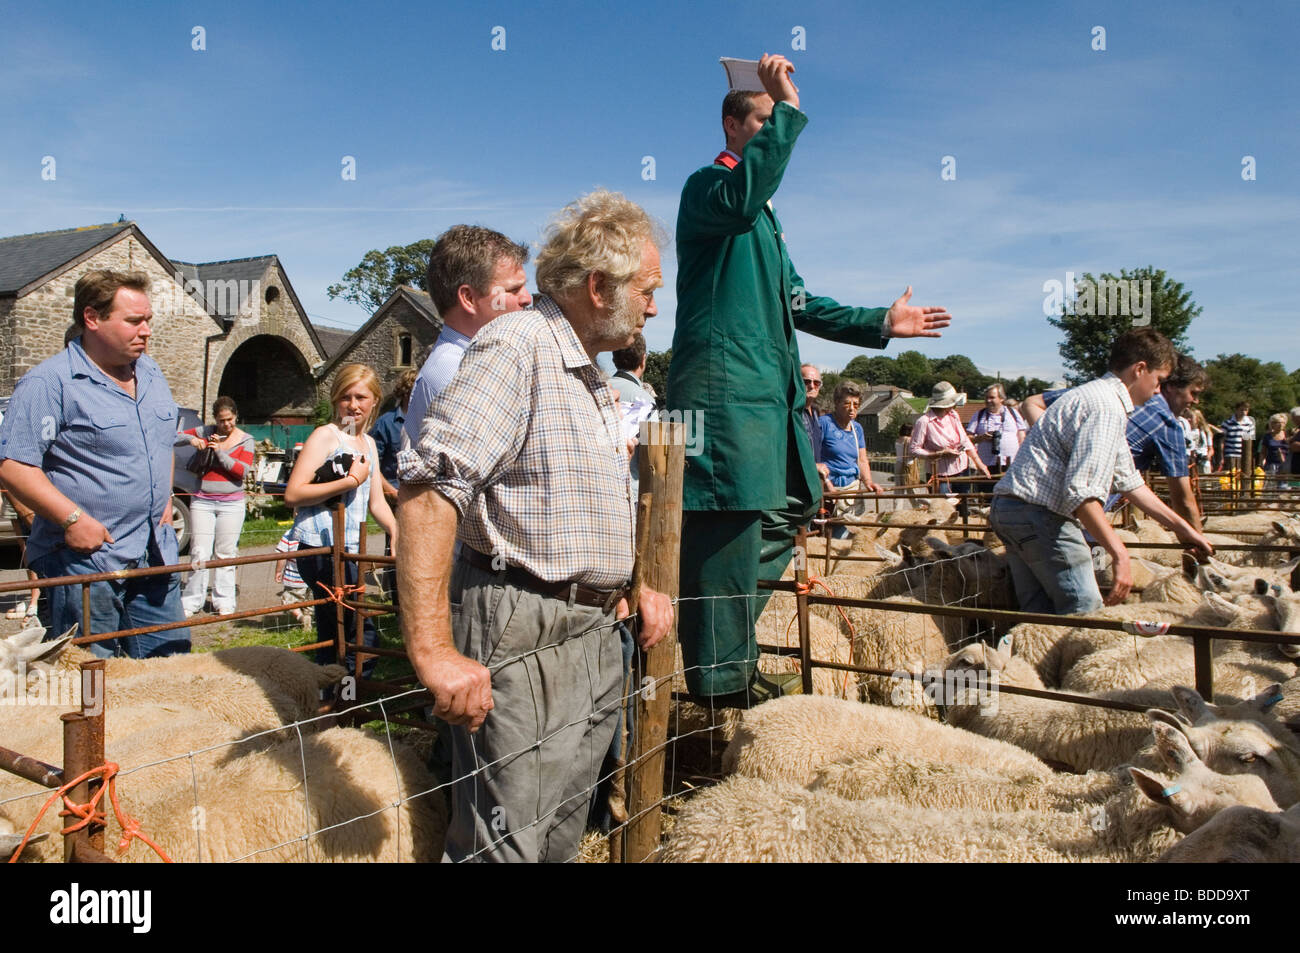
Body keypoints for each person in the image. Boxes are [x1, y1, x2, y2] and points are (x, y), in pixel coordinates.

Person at [396, 190, 673, 863]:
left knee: (558, 834)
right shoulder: (518, 345)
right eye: (648, 289)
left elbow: (584, 504)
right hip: (524, 623)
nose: (655, 308)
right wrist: (433, 651)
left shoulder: (593, 376)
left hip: (593, 629)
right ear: (600, 286)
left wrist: (637, 583)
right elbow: (431, 488)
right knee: (507, 841)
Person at [667, 53, 951, 708]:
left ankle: (717, 638)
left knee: (792, 505)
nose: (777, 134)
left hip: (768, 397)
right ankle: (719, 684)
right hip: (725, 396)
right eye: (765, 121)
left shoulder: (764, 220)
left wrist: (883, 320)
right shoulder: (710, 191)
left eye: (779, 121)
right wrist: (789, 108)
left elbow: (803, 303)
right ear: (737, 127)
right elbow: (742, 196)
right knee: (729, 528)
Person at [0, 269, 190, 657]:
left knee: (168, 667)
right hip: (85, 562)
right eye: (134, 321)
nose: (146, 331)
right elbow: (14, 466)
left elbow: (162, 441)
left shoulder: (151, 374)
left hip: (154, 550)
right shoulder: (50, 383)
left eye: (148, 320)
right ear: (92, 318)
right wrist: (73, 519)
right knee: (90, 676)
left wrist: (166, 498)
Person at [989, 329, 1213, 615]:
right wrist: (1119, 553)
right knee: (1085, 610)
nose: (1158, 391)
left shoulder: (1096, 397)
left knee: (1038, 614)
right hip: (1040, 515)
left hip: (1012, 510)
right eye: (1158, 381)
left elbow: (1131, 483)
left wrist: (1184, 530)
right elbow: (1083, 495)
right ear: (1139, 369)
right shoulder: (1106, 407)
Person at [284, 363, 396, 677]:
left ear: (374, 400)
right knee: (351, 629)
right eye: (345, 397)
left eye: (361, 397)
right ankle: (341, 697)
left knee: (343, 628)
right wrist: (348, 482)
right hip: (322, 547)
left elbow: (376, 502)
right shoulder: (326, 436)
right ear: (335, 400)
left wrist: (396, 529)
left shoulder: (369, 444)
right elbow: (293, 493)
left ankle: (334, 696)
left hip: (348, 550)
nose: (353, 405)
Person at [403, 226, 533, 444]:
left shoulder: (481, 361)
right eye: (513, 290)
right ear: (469, 298)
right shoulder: (454, 373)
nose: (527, 298)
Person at [178, 396, 254, 617]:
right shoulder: (207, 431)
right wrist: (192, 441)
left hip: (232, 503)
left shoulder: (245, 440)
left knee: (226, 553)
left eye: (229, 419)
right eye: (221, 421)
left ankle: (224, 600)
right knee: (199, 551)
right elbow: (174, 436)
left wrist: (219, 451)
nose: (226, 425)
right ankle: (192, 600)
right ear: (215, 420)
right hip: (203, 500)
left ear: (236, 416)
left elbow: (241, 471)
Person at [1123, 354, 1209, 528]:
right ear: (1171, 387)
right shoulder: (1166, 424)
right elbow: (1183, 499)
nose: (1196, 401)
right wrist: (1197, 544)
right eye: (1193, 393)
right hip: (1078, 504)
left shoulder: (1125, 396)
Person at [818, 380, 883, 536]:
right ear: (836, 402)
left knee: (851, 533)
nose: (852, 409)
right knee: (829, 536)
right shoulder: (824, 424)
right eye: (847, 403)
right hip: (831, 489)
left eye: (856, 404)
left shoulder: (857, 428)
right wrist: (825, 483)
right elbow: (813, 457)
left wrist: (868, 482)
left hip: (851, 490)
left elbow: (862, 459)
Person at [910, 381, 989, 496]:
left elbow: (965, 440)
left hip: (962, 470)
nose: (955, 405)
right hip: (939, 476)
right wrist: (939, 454)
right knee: (943, 509)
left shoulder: (953, 415)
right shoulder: (924, 422)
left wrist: (979, 463)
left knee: (963, 507)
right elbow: (913, 449)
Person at [966, 383, 1027, 492]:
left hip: (1010, 464)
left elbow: (1021, 436)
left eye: (992, 397)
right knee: (987, 497)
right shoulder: (979, 415)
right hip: (986, 466)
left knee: (1009, 496)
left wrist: (1021, 458)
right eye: (986, 398)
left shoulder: (1013, 413)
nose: (988, 400)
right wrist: (981, 438)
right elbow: (967, 438)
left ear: (1001, 399)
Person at [1221, 401, 1256, 472]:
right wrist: (1222, 455)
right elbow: (1222, 440)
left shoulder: (1249, 424)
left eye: (1245, 410)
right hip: (1230, 454)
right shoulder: (1227, 423)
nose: (1243, 412)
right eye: (1241, 410)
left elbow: (1249, 441)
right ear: (1236, 410)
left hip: (1244, 455)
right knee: (1231, 475)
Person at [1260, 413, 1289, 479]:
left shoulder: (1288, 435)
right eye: (1278, 422)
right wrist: (1261, 463)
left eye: (1283, 422)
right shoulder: (1267, 436)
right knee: (1271, 486)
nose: (1281, 424)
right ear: (1272, 424)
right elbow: (1263, 452)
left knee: (1284, 487)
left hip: (1286, 465)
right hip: (1271, 465)